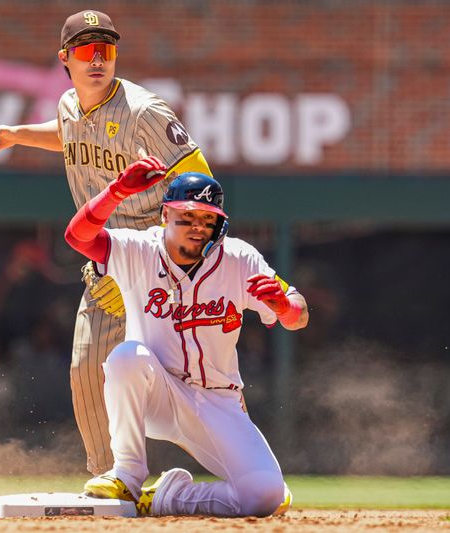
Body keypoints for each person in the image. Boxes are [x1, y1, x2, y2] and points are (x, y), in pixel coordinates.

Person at [0, 9, 212, 478]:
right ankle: (113, 477)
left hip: (154, 259)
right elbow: (66, 132)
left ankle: (233, 461)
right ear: (65, 58)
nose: (98, 58)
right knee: (86, 369)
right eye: (86, 49)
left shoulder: (144, 112)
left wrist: (171, 258)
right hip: (106, 261)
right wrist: (11, 135)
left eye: (107, 49)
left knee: (186, 381)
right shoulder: (68, 105)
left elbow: (201, 180)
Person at [63, 156, 309, 517]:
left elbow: (297, 314)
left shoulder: (239, 258)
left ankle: (166, 497)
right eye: (187, 217)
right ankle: (127, 476)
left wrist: (284, 307)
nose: (198, 227)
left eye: (208, 219)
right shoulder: (139, 249)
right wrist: (116, 192)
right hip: (159, 393)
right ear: (165, 216)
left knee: (264, 497)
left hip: (219, 402)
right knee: (127, 357)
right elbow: (77, 236)